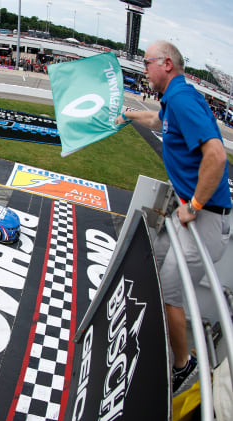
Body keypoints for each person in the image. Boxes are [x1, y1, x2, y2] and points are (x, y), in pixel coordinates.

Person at [116, 40, 231, 395]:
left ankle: (184, 366)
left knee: (170, 294)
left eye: (148, 63)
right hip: (198, 216)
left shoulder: (180, 99)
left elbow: (216, 155)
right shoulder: (176, 98)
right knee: (159, 267)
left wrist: (193, 205)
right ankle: (166, 339)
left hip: (204, 218)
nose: (144, 69)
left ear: (166, 63)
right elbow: (157, 119)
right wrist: (129, 115)